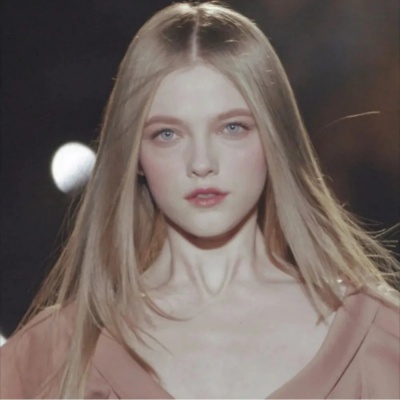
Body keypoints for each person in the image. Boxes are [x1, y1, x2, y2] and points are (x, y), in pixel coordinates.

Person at [1, 1, 399, 398]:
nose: (202, 163)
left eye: (232, 128)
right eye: (167, 134)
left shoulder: (379, 341)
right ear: (134, 155)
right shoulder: (50, 357)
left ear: (274, 138)